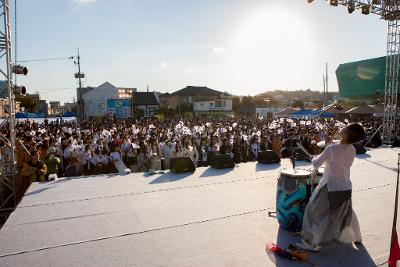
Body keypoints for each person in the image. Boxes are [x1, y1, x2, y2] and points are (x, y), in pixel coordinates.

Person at [297, 123, 365, 252]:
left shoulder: (331, 149)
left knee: (315, 213)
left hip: (330, 186)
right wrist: (329, 144)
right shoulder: (352, 148)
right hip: (345, 186)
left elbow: (316, 164)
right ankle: (356, 237)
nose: (342, 127)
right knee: (346, 212)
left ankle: (312, 243)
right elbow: (339, 150)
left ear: (345, 134)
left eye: (345, 127)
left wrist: (313, 158)